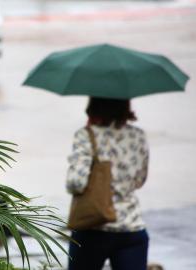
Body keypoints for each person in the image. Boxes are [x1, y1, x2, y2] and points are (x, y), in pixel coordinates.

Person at [66, 97, 149, 270]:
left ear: (94, 105)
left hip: (93, 227)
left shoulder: (86, 135)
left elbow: (75, 183)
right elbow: (139, 180)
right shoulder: (138, 135)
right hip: (132, 228)